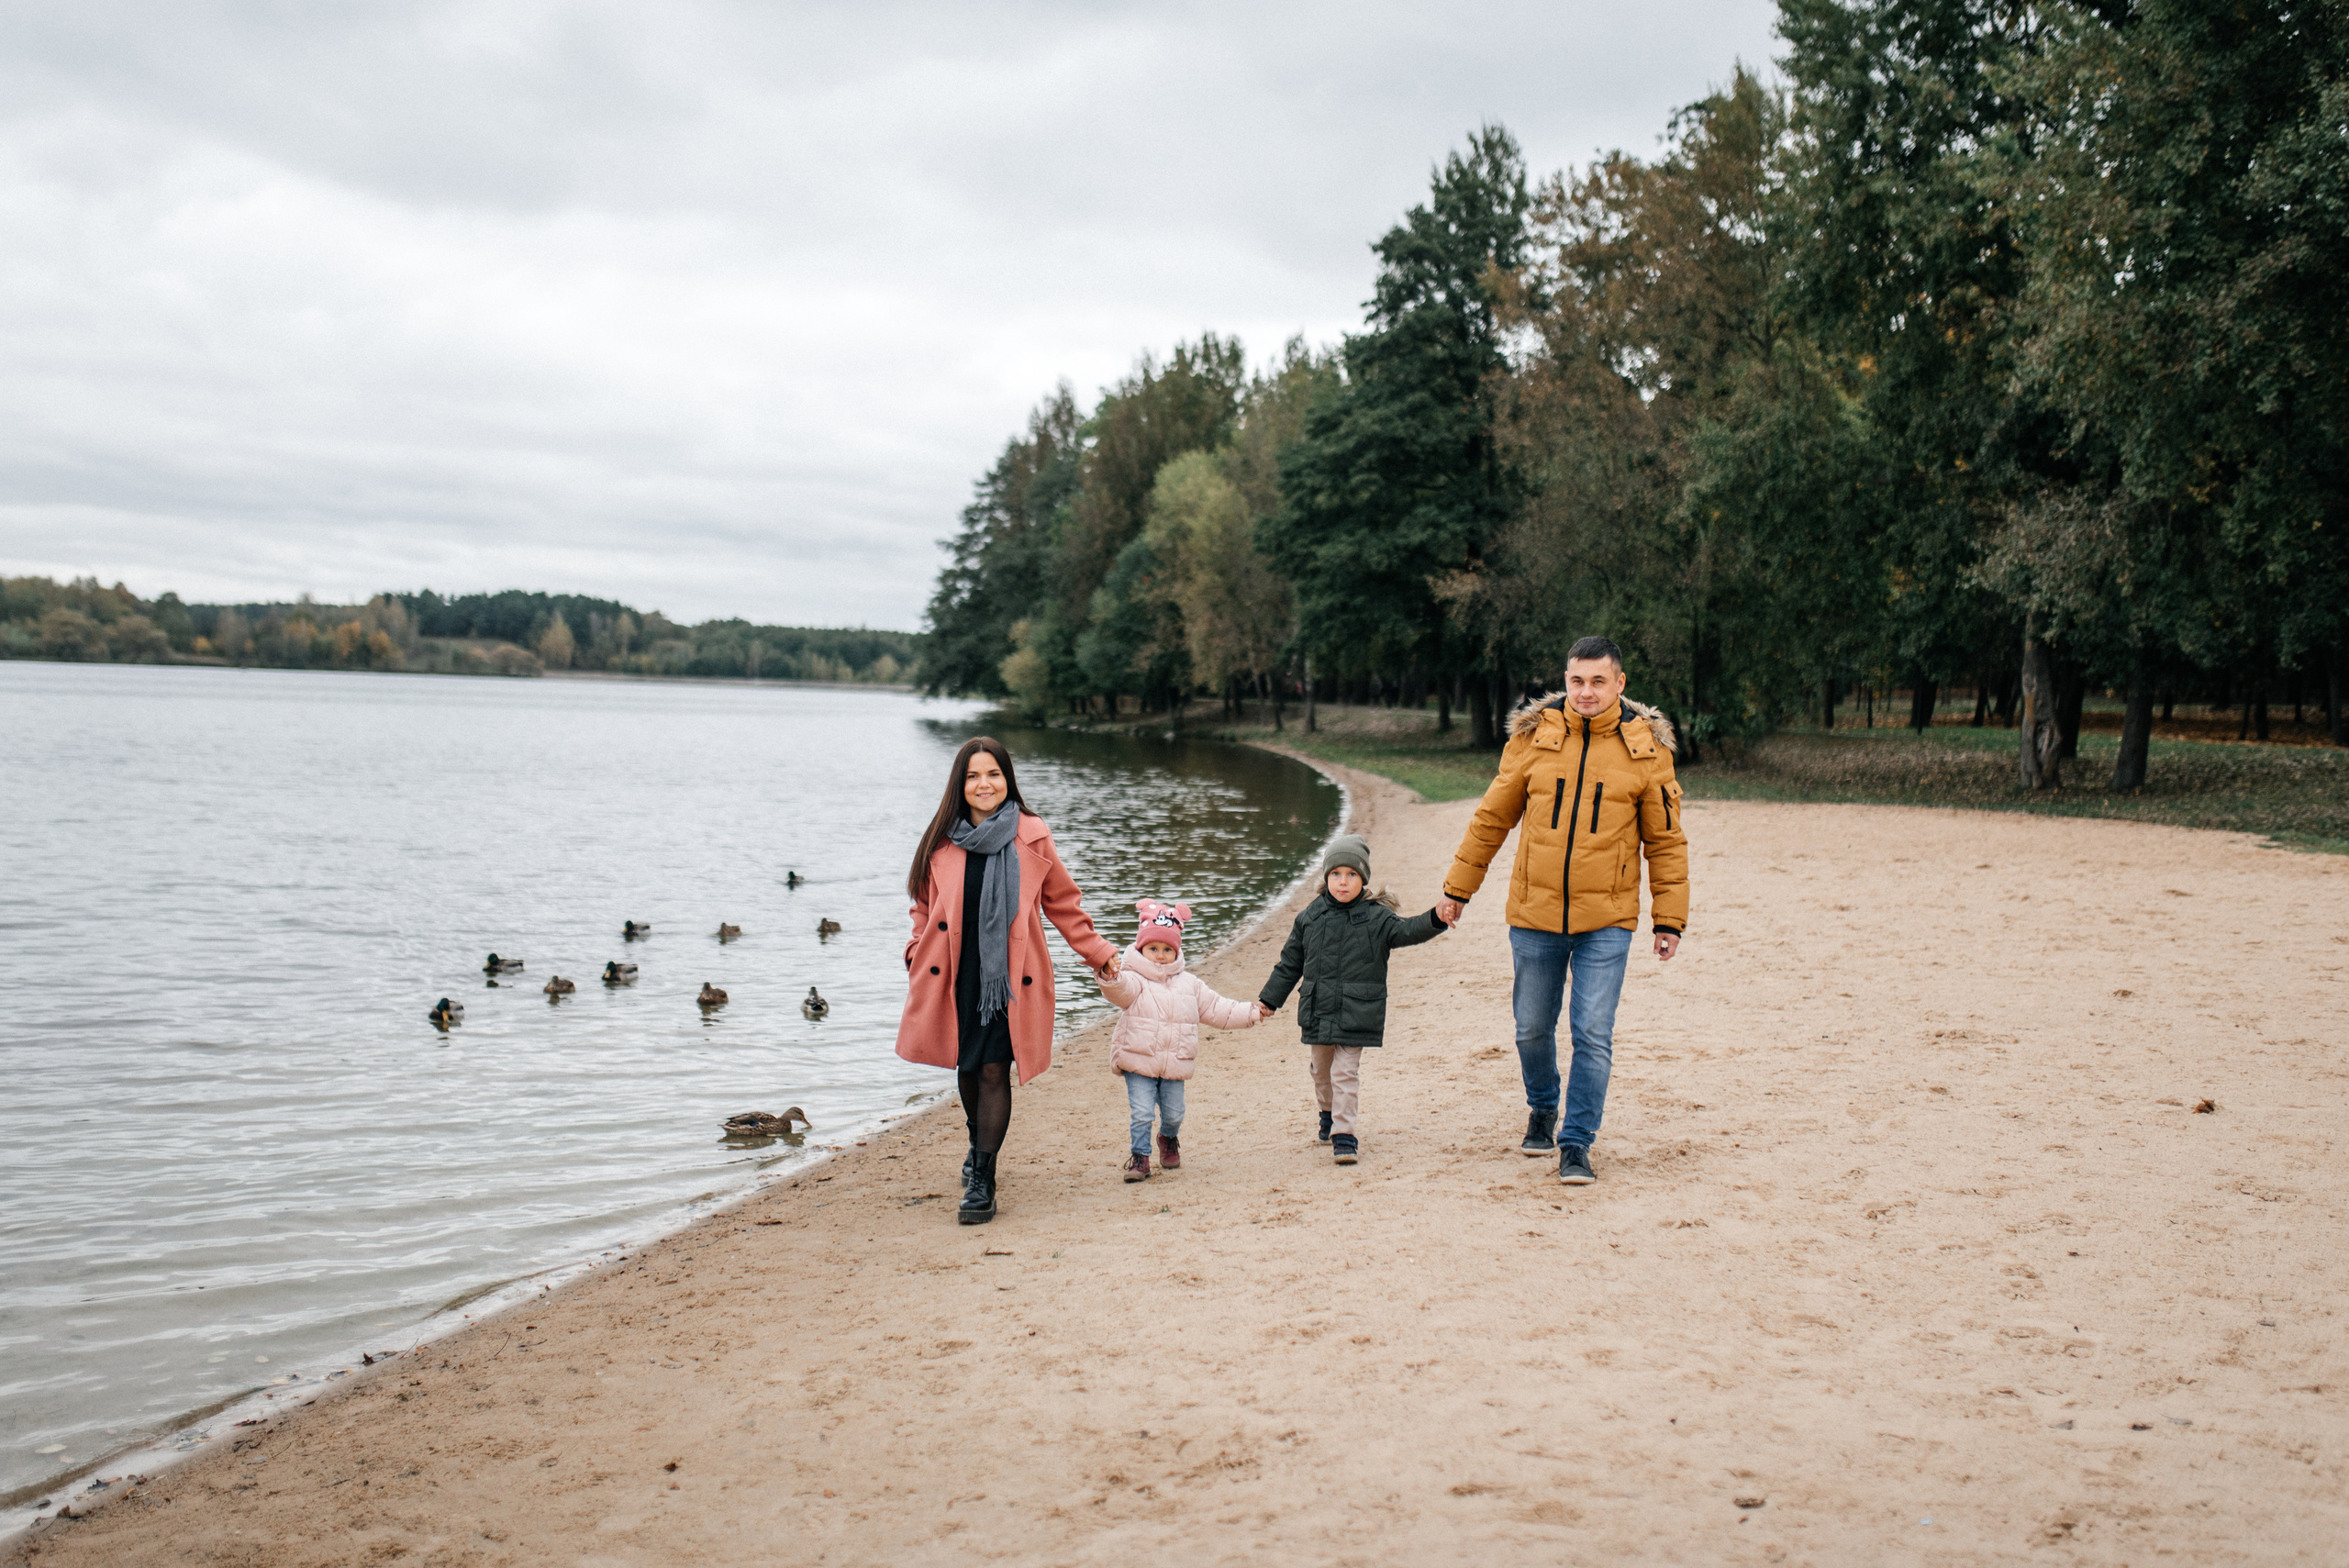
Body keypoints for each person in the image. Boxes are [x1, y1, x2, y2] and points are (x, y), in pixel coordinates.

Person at [1436, 636, 1689, 1186]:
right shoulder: (1535, 737)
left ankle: (1576, 1143)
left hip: (1609, 920)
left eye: (1599, 681)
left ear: (1620, 683)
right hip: (1534, 913)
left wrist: (1668, 918)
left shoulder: (1647, 749)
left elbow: (1666, 842)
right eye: (1577, 680)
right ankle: (1543, 1106)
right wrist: (1458, 890)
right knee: (1531, 1028)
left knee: (1592, 1032)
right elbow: (1491, 820)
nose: (1586, 691)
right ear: (1566, 679)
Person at [897, 737, 1120, 1224]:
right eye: (974, 776)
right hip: (954, 972)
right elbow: (921, 903)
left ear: (1007, 779)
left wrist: (1098, 952)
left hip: (1009, 978)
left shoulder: (1031, 833)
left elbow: (1063, 902)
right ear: (961, 784)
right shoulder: (942, 838)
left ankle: (983, 1176)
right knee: (968, 1065)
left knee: (995, 1069)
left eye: (993, 774)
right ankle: (978, 1144)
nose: (984, 784)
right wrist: (917, 949)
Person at [1257, 834, 1448, 1164]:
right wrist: (1270, 1000)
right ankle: (1328, 1114)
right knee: (1321, 1070)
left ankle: (1344, 1134)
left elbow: (1408, 930)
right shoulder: (1309, 918)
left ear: (1363, 880)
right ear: (1326, 877)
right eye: (1336, 874)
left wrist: (1437, 918)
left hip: (1357, 1010)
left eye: (1351, 875)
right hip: (1318, 1009)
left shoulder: (1377, 918)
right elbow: (1290, 963)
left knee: (1345, 1073)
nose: (1343, 882)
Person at [1098, 898, 1269, 1183]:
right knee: (1141, 1112)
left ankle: (1168, 1137)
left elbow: (1219, 1009)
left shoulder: (1189, 984)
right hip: (1138, 1058)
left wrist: (1251, 1012)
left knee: (1175, 1113)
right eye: (1153, 949)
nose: (1161, 955)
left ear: (1176, 950)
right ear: (1141, 948)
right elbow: (1118, 991)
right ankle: (1140, 1157)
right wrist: (1108, 973)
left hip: (1175, 1062)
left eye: (1167, 949)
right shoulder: (1133, 979)